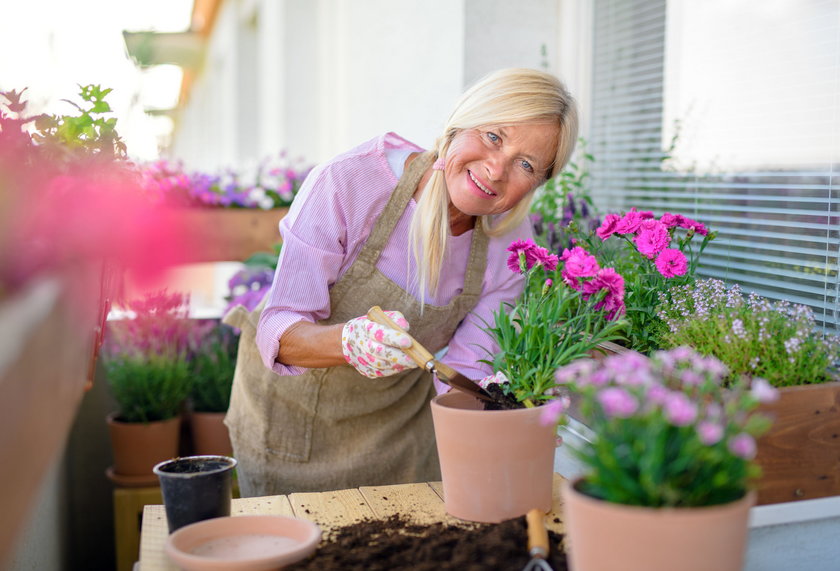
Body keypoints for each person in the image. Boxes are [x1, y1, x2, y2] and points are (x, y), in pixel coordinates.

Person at [223, 68, 579, 497]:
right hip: (293, 425)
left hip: (399, 431)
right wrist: (350, 342)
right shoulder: (351, 182)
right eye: (493, 137)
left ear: (538, 183)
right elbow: (279, 330)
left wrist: (511, 421)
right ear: (459, 123)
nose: (497, 169)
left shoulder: (511, 247)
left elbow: (465, 372)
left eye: (525, 164)